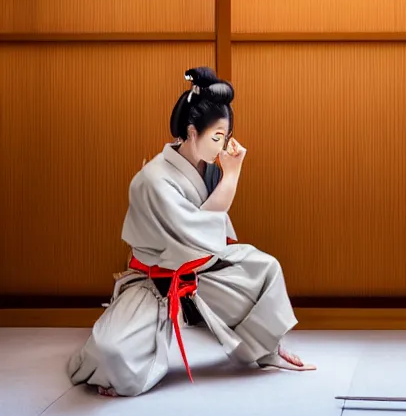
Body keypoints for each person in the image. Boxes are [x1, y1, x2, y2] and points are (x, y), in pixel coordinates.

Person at [68, 67, 315, 397]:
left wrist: (227, 175)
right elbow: (196, 237)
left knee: (264, 268)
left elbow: (211, 237)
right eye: (216, 137)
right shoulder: (153, 180)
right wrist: (232, 176)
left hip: (201, 269)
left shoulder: (207, 169)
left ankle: (267, 349)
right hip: (155, 282)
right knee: (112, 357)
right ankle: (119, 357)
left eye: (225, 138)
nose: (222, 146)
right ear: (191, 132)